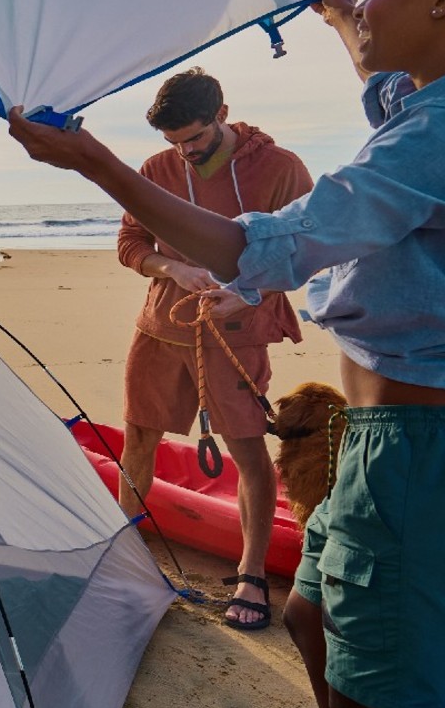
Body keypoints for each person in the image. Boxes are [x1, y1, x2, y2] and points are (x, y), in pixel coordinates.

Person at [7, 0, 445, 708]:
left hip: (436, 460)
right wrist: (340, 21)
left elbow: (260, 247)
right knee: (312, 616)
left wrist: (92, 162)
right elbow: (386, 91)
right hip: (394, 442)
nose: (366, 2)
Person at [116, 68, 312, 631]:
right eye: (173, 141)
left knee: (247, 449)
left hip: (237, 331)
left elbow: (307, 249)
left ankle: (252, 573)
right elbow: (131, 242)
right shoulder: (157, 169)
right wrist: (171, 267)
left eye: (194, 138)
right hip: (162, 325)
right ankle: (123, 551)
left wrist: (248, 292)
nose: (184, 151)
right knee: (139, 438)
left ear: (221, 114)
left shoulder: (281, 168)